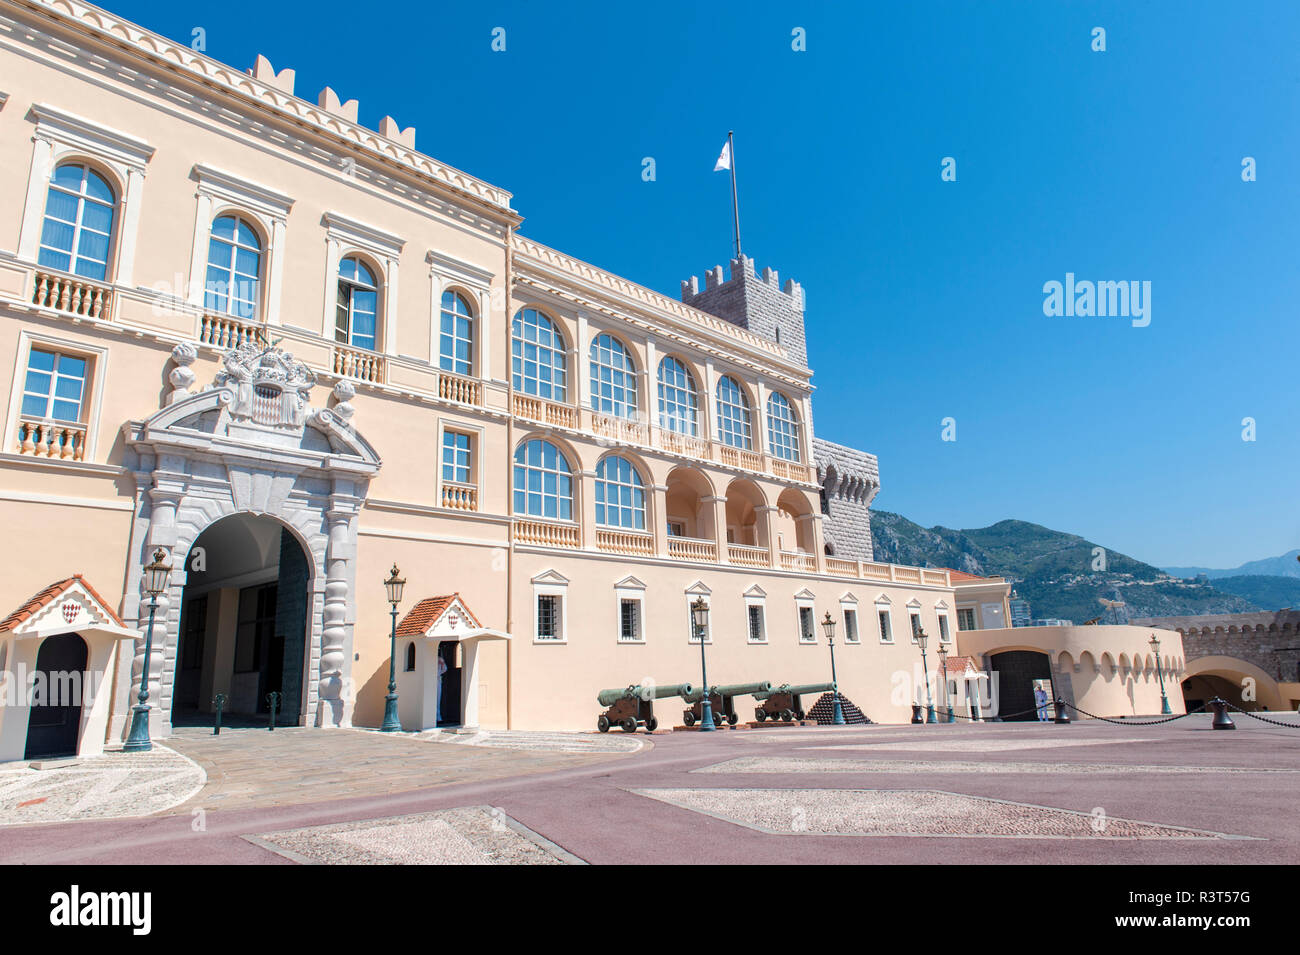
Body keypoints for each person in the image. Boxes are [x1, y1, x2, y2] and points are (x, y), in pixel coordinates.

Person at [436, 652, 448, 724]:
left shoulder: (440, 659)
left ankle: (438, 717)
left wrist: (442, 663)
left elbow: (444, 669)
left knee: (437, 700)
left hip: (437, 680)